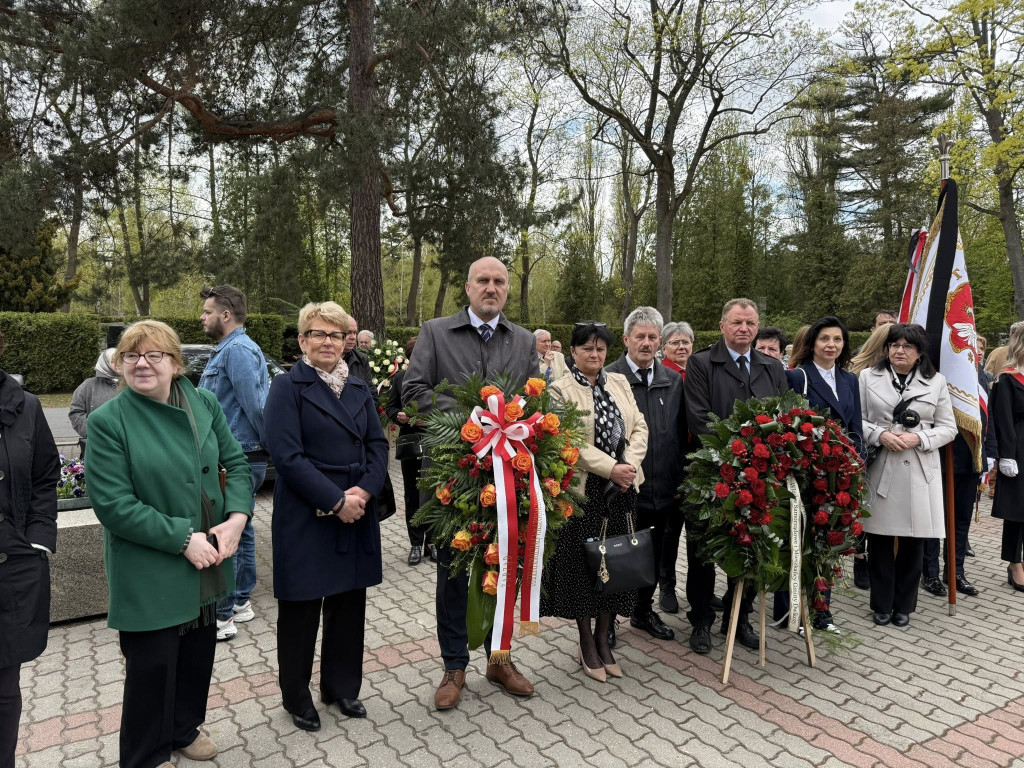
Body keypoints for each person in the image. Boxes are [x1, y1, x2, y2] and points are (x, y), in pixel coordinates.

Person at [86, 320, 252, 768]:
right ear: (119, 365)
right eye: (131, 356)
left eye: (154, 355)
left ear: (175, 363)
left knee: (198, 656)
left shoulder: (204, 403)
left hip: (210, 558)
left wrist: (237, 518)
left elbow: (236, 462)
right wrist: (182, 539)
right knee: (151, 667)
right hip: (153, 563)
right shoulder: (108, 422)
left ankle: (182, 729)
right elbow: (113, 505)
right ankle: (145, 754)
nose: (142, 363)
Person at [403, 256, 538, 711]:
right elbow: (414, 392)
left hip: (508, 476)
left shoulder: (522, 340)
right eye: (483, 280)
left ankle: (499, 659)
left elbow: (533, 398)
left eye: (499, 281)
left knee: (504, 568)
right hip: (452, 478)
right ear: (467, 286)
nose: (491, 287)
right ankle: (454, 665)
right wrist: (475, 421)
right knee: (453, 573)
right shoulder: (436, 332)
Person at [263, 301, 389, 732]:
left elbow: (378, 445)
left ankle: (340, 687)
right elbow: (287, 456)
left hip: (356, 508)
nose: (328, 342)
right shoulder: (287, 387)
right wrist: (337, 500)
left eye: (336, 335)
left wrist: (367, 489)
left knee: (349, 603)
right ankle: (296, 697)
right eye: (318, 334)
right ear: (302, 340)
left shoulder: (356, 387)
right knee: (301, 610)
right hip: (308, 515)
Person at [544, 322, 648, 681]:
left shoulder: (619, 383)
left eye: (600, 349)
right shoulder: (559, 390)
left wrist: (628, 467)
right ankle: (586, 641)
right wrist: (611, 468)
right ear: (573, 352)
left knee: (616, 567)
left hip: (622, 489)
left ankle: (605, 639)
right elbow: (566, 439)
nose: (594, 355)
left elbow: (639, 428)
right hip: (583, 492)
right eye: (587, 348)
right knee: (583, 568)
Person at [684, 298, 787, 654]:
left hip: (760, 476)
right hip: (712, 472)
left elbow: (781, 414)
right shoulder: (701, 363)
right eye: (737, 322)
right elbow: (699, 418)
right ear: (723, 325)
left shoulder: (771, 367)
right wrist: (736, 452)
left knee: (750, 547)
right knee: (704, 551)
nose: (744, 329)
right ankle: (700, 619)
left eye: (751, 323)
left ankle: (738, 616)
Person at [859, 323, 957, 627]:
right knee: (880, 541)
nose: (899, 351)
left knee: (914, 542)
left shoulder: (936, 382)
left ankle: (904, 605)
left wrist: (921, 439)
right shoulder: (867, 377)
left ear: (919, 352)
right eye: (894, 345)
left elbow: (948, 427)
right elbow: (856, 418)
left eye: (907, 346)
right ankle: (881, 603)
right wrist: (879, 435)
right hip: (882, 466)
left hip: (918, 468)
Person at [774, 316, 864, 633]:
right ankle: (788, 610)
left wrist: (858, 461)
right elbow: (789, 424)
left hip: (840, 476)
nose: (831, 345)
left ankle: (821, 611)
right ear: (812, 343)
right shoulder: (797, 377)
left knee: (828, 543)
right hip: (808, 474)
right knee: (799, 540)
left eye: (837, 340)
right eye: (825, 339)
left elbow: (856, 427)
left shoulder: (850, 380)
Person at [606, 307, 685, 644]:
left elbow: (680, 434)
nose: (647, 342)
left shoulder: (672, 379)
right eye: (640, 336)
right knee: (617, 555)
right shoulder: (610, 378)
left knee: (651, 555)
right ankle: (606, 620)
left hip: (663, 486)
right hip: (623, 486)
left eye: (653, 337)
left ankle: (642, 610)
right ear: (626, 339)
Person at [0, 330, 59, 768]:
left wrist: (38, 537)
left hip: (12, 569)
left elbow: (44, 476)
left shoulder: (26, 406)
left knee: (4, 690)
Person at [199, 284, 270, 642]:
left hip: (239, 454)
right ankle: (241, 600)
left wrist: (264, 449)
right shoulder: (229, 350)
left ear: (226, 315)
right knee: (241, 528)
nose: (203, 317)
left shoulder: (238, 350)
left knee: (227, 528)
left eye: (208, 312)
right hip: (238, 452)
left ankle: (224, 616)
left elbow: (257, 406)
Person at [921, 361, 996, 598]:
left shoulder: (979, 375)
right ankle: (930, 573)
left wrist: (991, 451)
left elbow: (987, 416)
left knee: (961, 519)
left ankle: (955, 571)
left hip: (972, 457)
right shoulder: (938, 369)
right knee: (934, 519)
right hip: (941, 456)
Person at [657, 321, 697, 614]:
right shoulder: (663, 375)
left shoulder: (698, 373)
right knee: (670, 531)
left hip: (697, 462)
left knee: (698, 532)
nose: (681, 347)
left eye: (686, 342)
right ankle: (666, 586)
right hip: (672, 462)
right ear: (664, 347)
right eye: (675, 342)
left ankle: (697, 591)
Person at [386, 337, 435, 566]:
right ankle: (416, 543)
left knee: (435, 492)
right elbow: (391, 406)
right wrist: (399, 416)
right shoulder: (400, 378)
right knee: (412, 493)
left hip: (435, 441)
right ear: (409, 357)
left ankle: (432, 543)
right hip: (411, 443)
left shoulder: (437, 378)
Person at [993, 322, 1024, 592]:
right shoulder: (1008, 379)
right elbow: (1003, 420)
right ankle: (1014, 563)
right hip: (1019, 451)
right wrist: (1006, 456)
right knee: (1017, 512)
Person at [69, 349, 119, 452]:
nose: (119, 363)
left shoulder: (133, 384)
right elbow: (76, 412)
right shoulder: (89, 385)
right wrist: (92, 430)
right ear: (104, 363)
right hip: (97, 446)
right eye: (113, 361)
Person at [343, 316, 373, 385]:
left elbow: (371, 391)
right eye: (348, 332)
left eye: (355, 333)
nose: (353, 337)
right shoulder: (326, 358)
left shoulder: (362, 359)